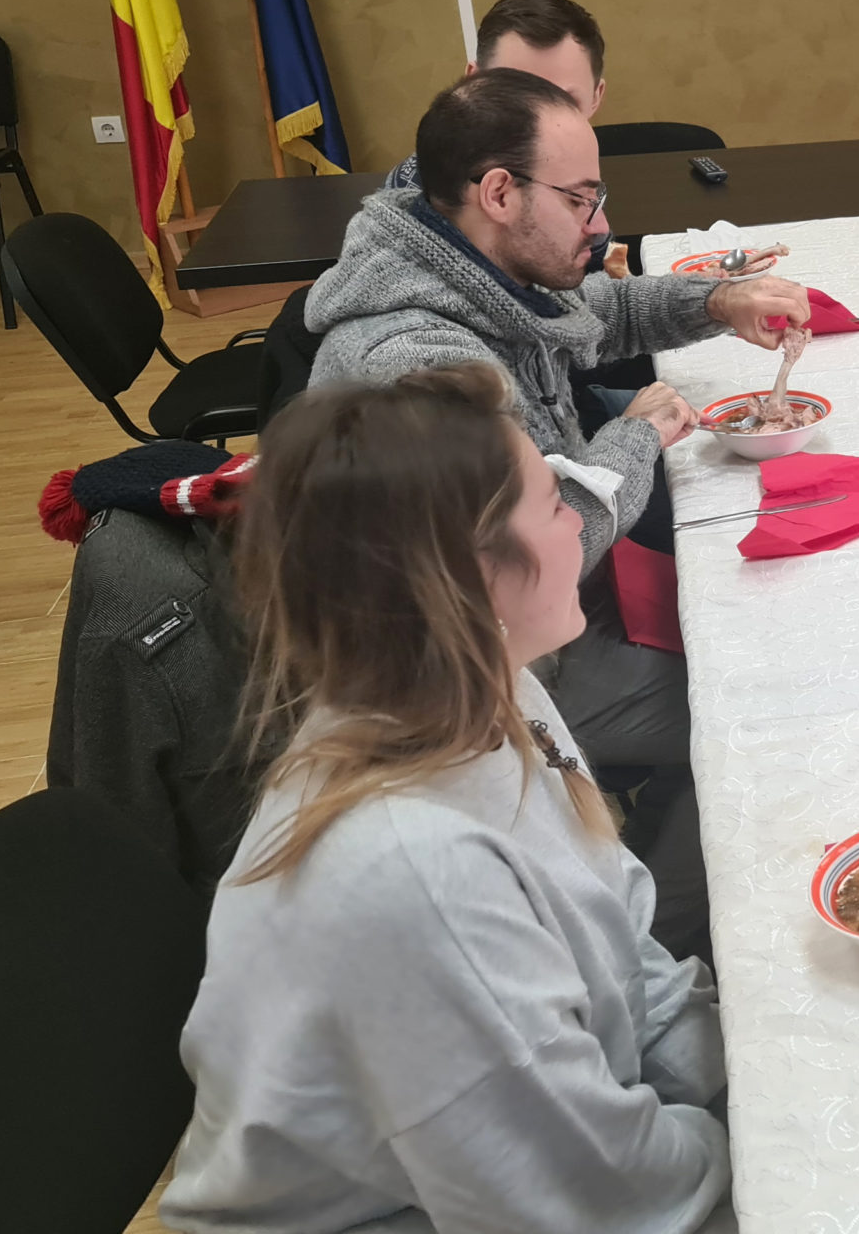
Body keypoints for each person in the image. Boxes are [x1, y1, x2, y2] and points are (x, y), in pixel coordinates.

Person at [161, 366, 747, 1234]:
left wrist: (741, 1068)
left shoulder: (489, 688)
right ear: (469, 574)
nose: (578, 519)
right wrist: (751, 1143)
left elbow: (623, 940)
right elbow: (567, 1207)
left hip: (505, 1188)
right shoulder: (410, 866)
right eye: (551, 501)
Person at [306, 68, 808, 955]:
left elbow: (590, 313)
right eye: (580, 200)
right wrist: (637, 438)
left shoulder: (464, 259)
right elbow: (535, 559)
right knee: (758, 718)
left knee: (757, 625)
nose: (600, 224)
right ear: (500, 193)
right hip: (469, 675)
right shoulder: (422, 368)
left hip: (519, 628)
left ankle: (650, 894)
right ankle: (665, 954)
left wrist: (716, 300)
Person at [382, 0, 608, 190]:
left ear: (595, 98)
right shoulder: (420, 191)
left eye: (564, 104)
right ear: (473, 84)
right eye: (512, 98)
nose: (538, 130)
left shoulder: (588, 185)